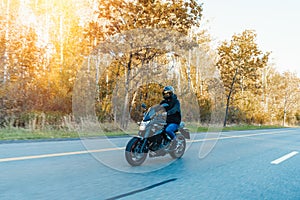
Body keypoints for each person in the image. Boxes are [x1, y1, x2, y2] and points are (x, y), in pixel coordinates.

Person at [160, 86, 181, 150]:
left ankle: (175, 142)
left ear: (171, 93)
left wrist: (168, 113)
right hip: (165, 121)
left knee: (168, 130)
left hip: (174, 121)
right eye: (165, 93)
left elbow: (175, 109)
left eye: (168, 93)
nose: (166, 95)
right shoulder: (164, 102)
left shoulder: (176, 101)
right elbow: (157, 107)